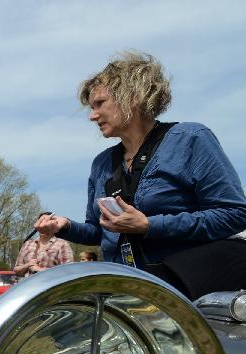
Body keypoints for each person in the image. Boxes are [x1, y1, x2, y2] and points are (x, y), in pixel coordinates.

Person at [36, 51, 246, 296]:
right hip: (127, 294)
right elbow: (98, 231)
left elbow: (235, 214)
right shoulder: (101, 164)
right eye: (91, 108)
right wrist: (65, 226)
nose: (92, 116)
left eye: (100, 104)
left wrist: (149, 225)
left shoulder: (191, 139)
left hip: (189, 294)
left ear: (132, 97)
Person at [14, 211, 73, 277]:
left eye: (47, 222)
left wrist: (39, 270)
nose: (44, 226)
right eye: (41, 222)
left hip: (50, 286)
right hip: (28, 286)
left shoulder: (62, 244)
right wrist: (27, 265)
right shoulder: (28, 244)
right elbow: (16, 270)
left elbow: (68, 272)